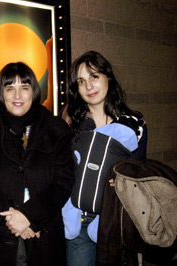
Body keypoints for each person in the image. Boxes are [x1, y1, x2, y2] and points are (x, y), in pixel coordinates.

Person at [0, 62, 75, 265]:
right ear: (1, 93)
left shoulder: (56, 129)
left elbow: (63, 182)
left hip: (44, 237)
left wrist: (29, 216)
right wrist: (13, 218)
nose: (17, 96)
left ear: (33, 91)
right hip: (0, 239)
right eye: (10, 89)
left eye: (24, 88)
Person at [62, 51, 147, 266]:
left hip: (116, 219)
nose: (88, 86)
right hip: (78, 221)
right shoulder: (72, 122)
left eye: (94, 76)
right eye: (81, 81)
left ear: (107, 77)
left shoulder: (133, 125)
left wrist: (124, 180)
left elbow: (139, 171)